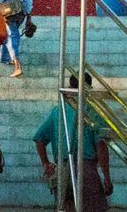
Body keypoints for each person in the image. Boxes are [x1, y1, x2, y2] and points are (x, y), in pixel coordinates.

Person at [34, 73, 113, 212]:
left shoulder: (58, 111)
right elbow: (101, 144)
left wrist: (45, 163)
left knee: (66, 208)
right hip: (86, 170)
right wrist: (106, 176)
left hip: (63, 169)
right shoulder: (92, 111)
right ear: (88, 89)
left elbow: (40, 139)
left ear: (70, 87)